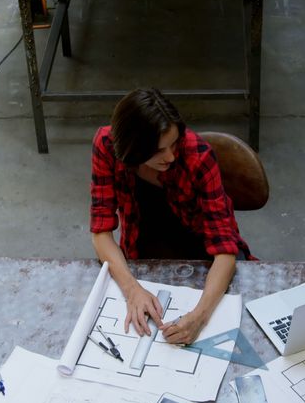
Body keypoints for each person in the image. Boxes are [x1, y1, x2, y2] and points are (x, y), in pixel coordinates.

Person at [90, 88, 253, 346]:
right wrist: (132, 290)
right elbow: (101, 232)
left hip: (205, 260)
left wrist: (199, 317)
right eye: (158, 150)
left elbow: (225, 250)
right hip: (144, 256)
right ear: (132, 148)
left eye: (175, 143)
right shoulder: (106, 146)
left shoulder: (198, 156)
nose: (171, 156)